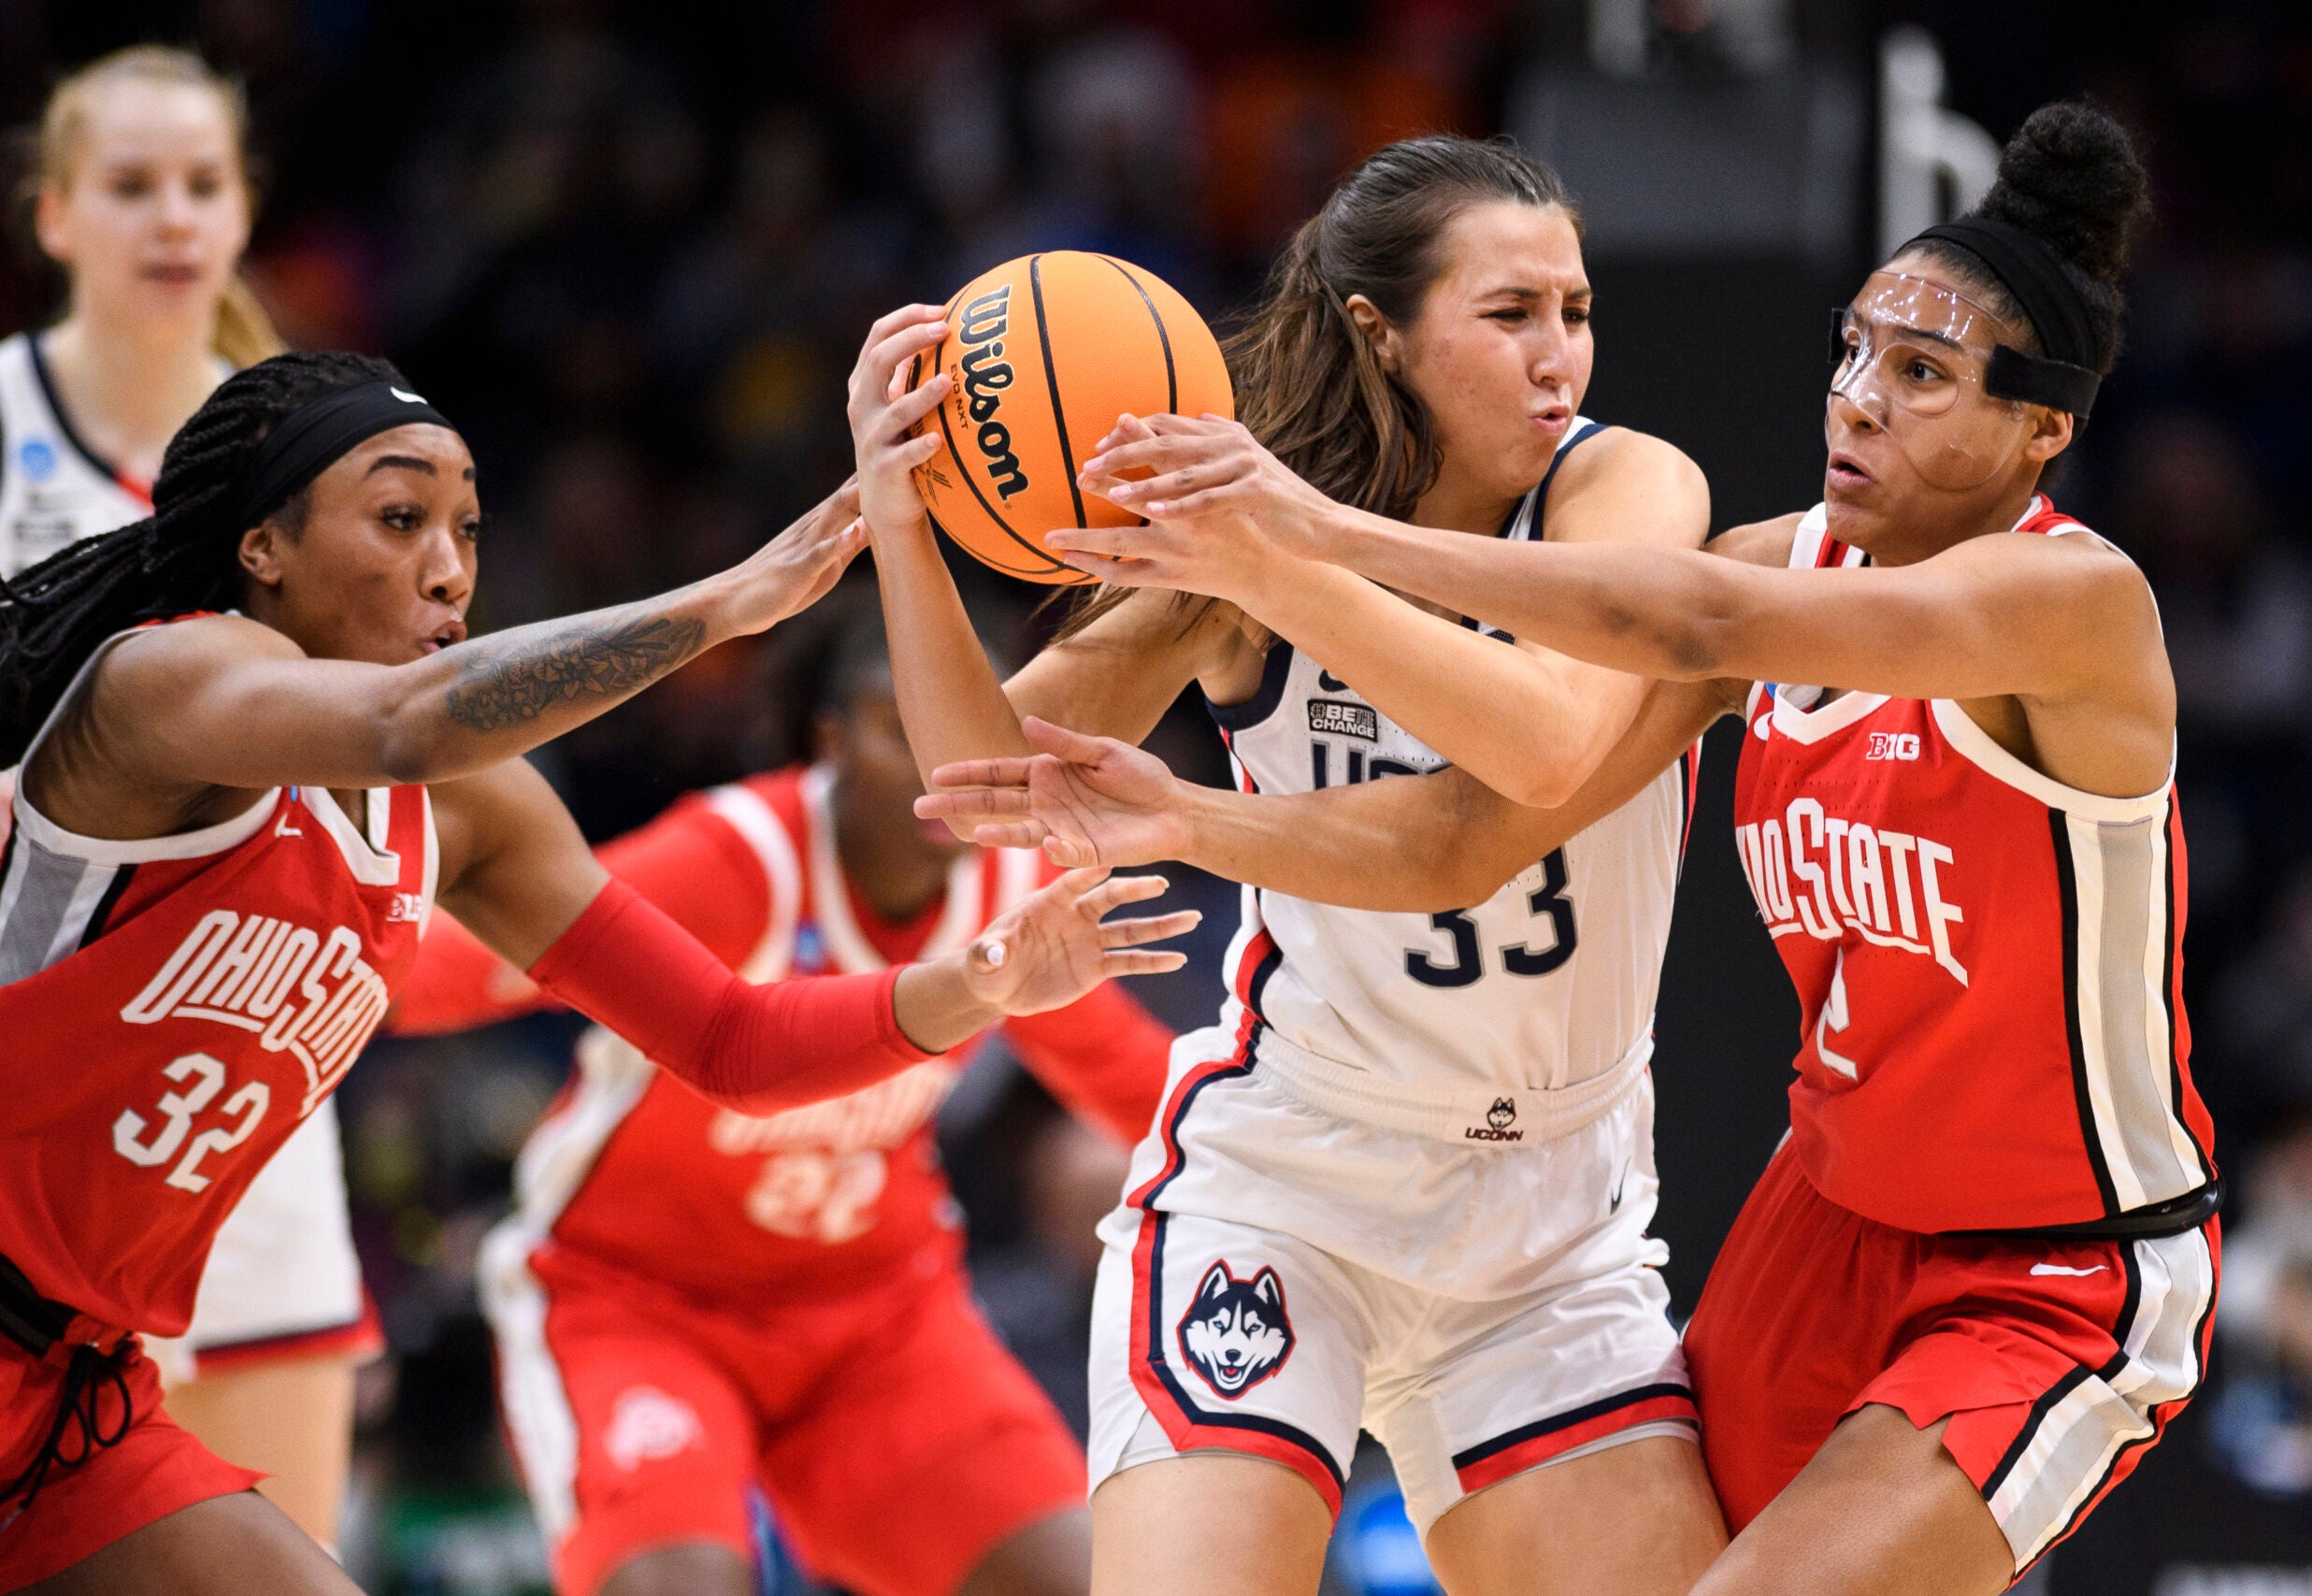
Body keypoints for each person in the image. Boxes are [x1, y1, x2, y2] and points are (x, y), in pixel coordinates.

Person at [977, 102, 2215, 1595]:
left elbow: (1679, 615)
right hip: (1815, 1219)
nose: (1860, 401)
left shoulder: (2070, 604)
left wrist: (1310, 538)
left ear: (2043, 429)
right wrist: (1185, 812)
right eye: (1857, 351)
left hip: (2048, 1255)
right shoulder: (1779, 565)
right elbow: (1471, 832)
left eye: (1924, 374)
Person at [0, 350, 1194, 1594]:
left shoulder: (470, 813)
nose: (450, 563)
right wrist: (730, 603)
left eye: (467, 525)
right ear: (263, 547)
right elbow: (409, 718)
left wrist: (982, 985)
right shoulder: (165, 678)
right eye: (401, 518)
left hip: (70, 1396)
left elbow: (734, 1040)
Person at [850, 136, 1727, 1596]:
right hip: (1293, 1172)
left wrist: (1279, 558)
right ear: (1381, 329)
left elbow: (1552, 742)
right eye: (1509, 315)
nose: (1557, 355)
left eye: (1573, 310)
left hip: (1555, 1226)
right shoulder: (1227, 550)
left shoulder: (1624, 487)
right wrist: (900, 522)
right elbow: (988, 784)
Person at [386, 603, 1179, 1596]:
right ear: (831, 733)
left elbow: (1134, 1081)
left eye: (979, 741)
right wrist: (306, 963)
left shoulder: (1019, 891)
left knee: (1090, 1579)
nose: (949, 779)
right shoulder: (733, 858)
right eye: (905, 733)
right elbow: (483, 965)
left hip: (876, 1319)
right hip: (635, 1303)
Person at [0, 44, 383, 1550]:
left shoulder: (321, 453)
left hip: (231, 1083)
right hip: (34, 1098)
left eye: (202, 184)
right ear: (52, 216)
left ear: (243, 212)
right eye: (131, 185)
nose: (172, 217)